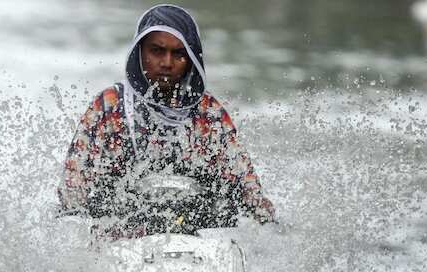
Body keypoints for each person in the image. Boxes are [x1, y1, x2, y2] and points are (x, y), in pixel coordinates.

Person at [57, 4, 275, 238]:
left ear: (191, 59)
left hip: (196, 240)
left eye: (179, 54)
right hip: (118, 237)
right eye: (157, 51)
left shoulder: (209, 114)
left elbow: (244, 181)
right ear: (139, 52)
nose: (167, 63)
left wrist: (268, 225)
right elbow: (74, 184)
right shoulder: (109, 107)